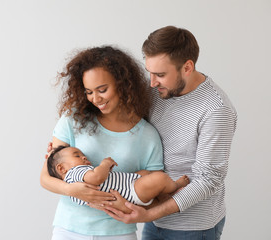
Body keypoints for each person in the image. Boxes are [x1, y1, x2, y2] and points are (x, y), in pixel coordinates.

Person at [104, 26, 238, 240]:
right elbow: (122, 127)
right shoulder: (156, 92)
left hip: (193, 226)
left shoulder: (216, 110)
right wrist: (66, 148)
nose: (151, 82)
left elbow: (208, 180)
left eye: (160, 74)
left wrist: (148, 213)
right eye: (150, 72)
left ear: (187, 67)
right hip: (154, 218)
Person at [40, 46, 165, 239]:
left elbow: (157, 195)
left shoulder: (147, 135)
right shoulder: (72, 120)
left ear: (122, 84)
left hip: (118, 233)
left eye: (102, 90)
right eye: (88, 91)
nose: (95, 99)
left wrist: (128, 207)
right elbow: (46, 178)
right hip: (69, 229)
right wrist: (73, 190)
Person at [47, 145, 189, 210]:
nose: (83, 156)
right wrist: (105, 163)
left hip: (131, 185)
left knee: (145, 173)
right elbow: (97, 178)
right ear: (61, 168)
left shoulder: (74, 184)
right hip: (132, 191)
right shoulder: (75, 173)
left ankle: (164, 194)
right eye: (77, 155)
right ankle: (175, 186)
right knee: (160, 178)